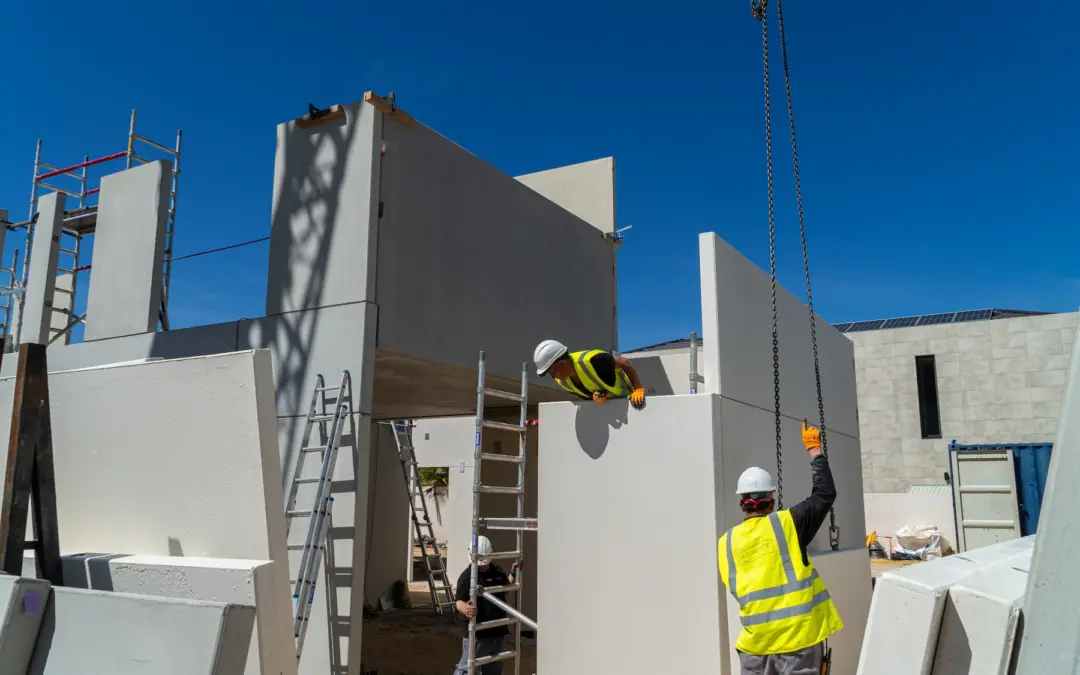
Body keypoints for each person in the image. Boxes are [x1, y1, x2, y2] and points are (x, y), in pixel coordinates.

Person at [718, 422, 844, 675]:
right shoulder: (788, 524)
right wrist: (814, 449)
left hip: (755, 647)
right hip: (796, 643)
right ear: (772, 499)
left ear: (742, 503)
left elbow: (738, 589)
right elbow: (825, 494)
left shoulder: (726, 542)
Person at [452, 535, 518, 675]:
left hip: (497, 631)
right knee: (467, 669)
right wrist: (466, 609)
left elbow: (504, 591)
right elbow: (458, 602)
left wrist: (514, 573)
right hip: (479, 634)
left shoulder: (497, 572)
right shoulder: (467, 576)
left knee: (493, 669)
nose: (482, 565)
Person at [532, 339, 646, 409]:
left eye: (552, 371)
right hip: (613, 408)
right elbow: (583, 393)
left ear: (562, 363)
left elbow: (624, 362)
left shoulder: (594, 360)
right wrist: (597, 396)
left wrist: (638, 388)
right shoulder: (562, 381)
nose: (553, 377)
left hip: (631, 400)